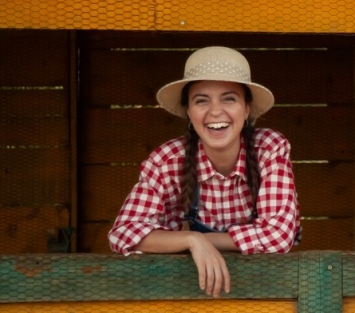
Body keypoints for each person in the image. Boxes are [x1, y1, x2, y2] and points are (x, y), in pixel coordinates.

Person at [109, 46, 302, 297]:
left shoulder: (268, 148)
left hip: (263, 294)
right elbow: (123, 233)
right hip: (179, 298)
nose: (215, 111)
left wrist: (204, 242)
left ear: (247, 109)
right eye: (201, 100)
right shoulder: (167, 160)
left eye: (229, 98)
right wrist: (191, 241)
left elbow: (279, 235)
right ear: (189, 112)